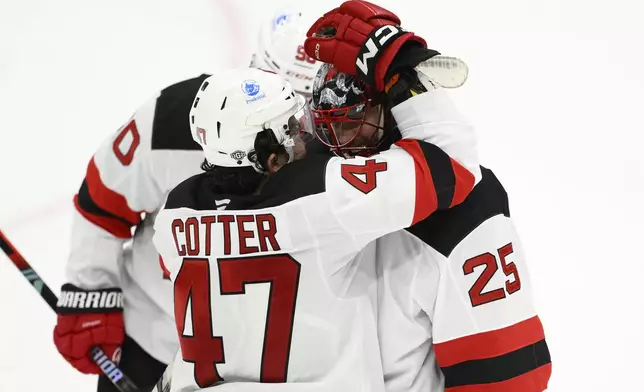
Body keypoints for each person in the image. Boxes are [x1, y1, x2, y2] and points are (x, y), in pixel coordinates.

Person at [152, 4, 482, 391]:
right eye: (291, 127)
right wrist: (394, 64)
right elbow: (453, 164)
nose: (306, 133)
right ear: (272, 158)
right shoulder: (324, 197)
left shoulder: (173, 218)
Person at [52, 9, 322, 392]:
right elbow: (104, 200)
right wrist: (91, 290)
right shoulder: (175, 121)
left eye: (305, 111)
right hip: (154, 345)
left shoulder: (341, 142)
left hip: (279, 369)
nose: (298, 132)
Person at [304, 2, 553, 391]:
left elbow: (507, 375)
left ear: (390, 114)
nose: (340, 144)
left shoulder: (467, 210)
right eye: (327, 127)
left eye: (355, 124)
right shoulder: (309, 192)